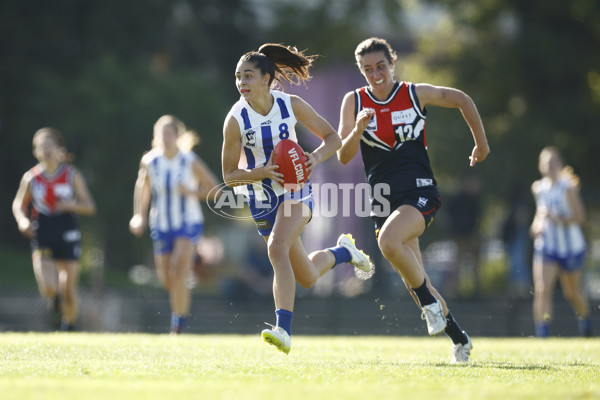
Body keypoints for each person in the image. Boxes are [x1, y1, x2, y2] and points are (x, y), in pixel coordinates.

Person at [337, 37, 490, 363]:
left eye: (380, 66)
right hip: (382, 199)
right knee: (416, 283)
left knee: (389, 242)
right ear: (361, 71)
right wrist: (358, 129)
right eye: (367, 69)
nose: (375, 74)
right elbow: (343, 155)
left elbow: (461, 99)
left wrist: (481, 144)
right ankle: (460, 340)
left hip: (419, 191)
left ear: (392, 63)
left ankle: (432, 307)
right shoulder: (354, 101)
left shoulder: (413, 93)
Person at [222, 43, 373, 354]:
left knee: (276, 248)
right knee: (305, 275)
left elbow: (333, 138)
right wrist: (260, 172)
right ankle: (343, 252)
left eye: (248, 76)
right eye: (238, 77)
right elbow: (228, 175)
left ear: (267, 78)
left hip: (296, 190)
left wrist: (314, 159)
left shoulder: (290, 104)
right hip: (262, 197)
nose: (241, 83)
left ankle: (283, 330)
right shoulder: (235, 119)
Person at [129, 115, 219, 334]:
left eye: (170, 134)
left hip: (188, 222)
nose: (166, 138)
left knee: (179, 268)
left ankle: (178, 325)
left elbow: (216, 190)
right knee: (168, 280)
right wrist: (138, 215)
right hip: (160, 224)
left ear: (178, 136)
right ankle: (178, 311)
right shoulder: (150, 161)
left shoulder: (189, 160)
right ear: (156, 137)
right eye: (162, 134)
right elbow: (143, 187)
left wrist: (192, 192)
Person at [12, 127, 96, 331]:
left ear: (60, 149)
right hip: (43, 231)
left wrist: (70, 205)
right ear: (36, 151)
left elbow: (89, 206)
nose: (47, 150)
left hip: (67, 229)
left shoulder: (71, 175)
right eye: (42, 146)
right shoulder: (31, 178)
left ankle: (69, 327)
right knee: (49, 287)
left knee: (68, 288)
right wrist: (22, 221)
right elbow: (18, 204)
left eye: (51, 145)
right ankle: (57, 306)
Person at [530, 146, 592, 337]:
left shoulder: (568, 188)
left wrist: (557, 218)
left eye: (553, 163)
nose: (550, 167)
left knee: (572, 293)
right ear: (541, 167)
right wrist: (536, 227)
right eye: (546, 163)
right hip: (547, 246)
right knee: (542, 289)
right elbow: (538, 220)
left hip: (571, 247)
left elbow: (580, 217)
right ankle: (543, 332)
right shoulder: (538, 188)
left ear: (560, 164)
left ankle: (585, 321)